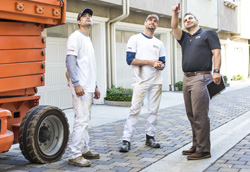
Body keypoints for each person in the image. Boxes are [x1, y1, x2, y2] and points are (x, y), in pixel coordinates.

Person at [171, 3, 222, 160]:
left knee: (200, 115)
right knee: (191, 114)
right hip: (187, 78)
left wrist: (217, 71)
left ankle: (203, 149)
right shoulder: (185, 38)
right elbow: (174, 28)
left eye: (190, 18)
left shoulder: (208, 34)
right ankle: (196, 144)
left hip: (201, 78)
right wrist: (175, 13)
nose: (187, 20)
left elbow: (217, 53)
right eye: (185, 19)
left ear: (197, 20)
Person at [119, 14, 166, 152]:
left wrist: (159, 65)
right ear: (145, 22)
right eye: (150, 20)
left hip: (156, 81)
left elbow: (163, 63)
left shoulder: (159, 43)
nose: (152, 22)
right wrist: (150, 62)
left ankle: (150, 137)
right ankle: (126, 140)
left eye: (155, 21)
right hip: (140, 80)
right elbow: (130, 60)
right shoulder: (135, 39)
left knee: (153, 111)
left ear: (157, 25)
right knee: (134, 110)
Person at [66, 8, 100, 167]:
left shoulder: (87, 39)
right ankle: (75, 154)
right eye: (84, 16)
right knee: (81, 119)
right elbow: (70, 62)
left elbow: (89, 66)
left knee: (86, 119)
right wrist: (77, 83)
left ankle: (84, 148)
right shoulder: (76, 37)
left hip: (89, 86)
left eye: (89, 16)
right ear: (78, 21)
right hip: (81, 86)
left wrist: (96, 86)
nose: (88, 18)